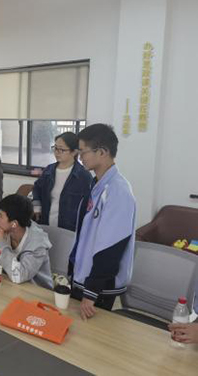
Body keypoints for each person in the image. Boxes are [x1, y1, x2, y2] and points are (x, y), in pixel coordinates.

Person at [68, 124, 136, 320]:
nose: (80, 157)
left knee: (91, 335)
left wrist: (91, 292)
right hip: (85, 277)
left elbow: (111, 247)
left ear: (102, 152)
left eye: (83, 152)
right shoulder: (97, 183)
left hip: (98, 286)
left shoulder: (118, 191)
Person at [0, 194, 53, 289]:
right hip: (7, 286)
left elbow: (19, 276)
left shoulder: (38, 243)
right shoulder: (3, 231)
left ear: (14, 224)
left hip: (36, 292)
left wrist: (1, 243)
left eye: (1, 216)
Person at [32, 132, 93, 231]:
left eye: (61, 150)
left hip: (69, 229)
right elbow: (37, 188)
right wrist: (36, 205)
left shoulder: (83, 176)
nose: (57, 152)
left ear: (74, 152)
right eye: (55, 148)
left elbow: (88, 206)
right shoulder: (49, 170)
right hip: (45, 224)